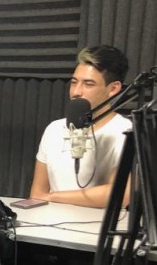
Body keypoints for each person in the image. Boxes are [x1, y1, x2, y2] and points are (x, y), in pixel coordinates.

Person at [29, 45, 131, 208]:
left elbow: (122, 194)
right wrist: (45, 197)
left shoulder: (125, 131)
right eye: (74, 82)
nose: (76, 91)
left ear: (113, 88)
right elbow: (36, 194)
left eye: (88, 84)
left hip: (99, 224)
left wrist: (52, 197)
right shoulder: (54, 129)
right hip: (49, 222)